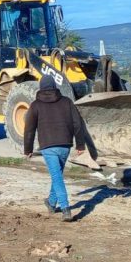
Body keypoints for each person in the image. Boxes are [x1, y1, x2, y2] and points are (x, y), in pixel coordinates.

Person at [23, 75, 88, 221]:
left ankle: (65, 209)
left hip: (48, 146)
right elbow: (78, 123)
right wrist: (80, 144)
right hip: (65, 145)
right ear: (54, 86)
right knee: (57, 175)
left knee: (57, 177)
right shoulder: (67, 102)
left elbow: (29, 129)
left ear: (41, 87)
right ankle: (51, 203)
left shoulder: (35, 105)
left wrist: (28, 149)